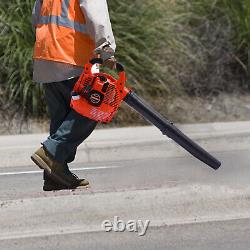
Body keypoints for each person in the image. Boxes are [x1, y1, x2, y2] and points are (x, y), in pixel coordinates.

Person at [31, 0, 116, 191]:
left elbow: (35, 17)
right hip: (72, 55)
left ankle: (55, 175)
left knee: (61, 118)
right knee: (91, 109)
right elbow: (96, 14)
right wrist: (106, 49)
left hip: (46, 54)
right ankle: (51, 153)